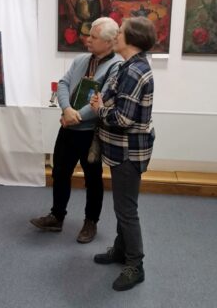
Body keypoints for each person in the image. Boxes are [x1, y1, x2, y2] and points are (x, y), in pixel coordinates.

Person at [30, 17, 122, 243]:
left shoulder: (117, 67)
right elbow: (63, 83)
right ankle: (57, 216)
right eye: (89, 35)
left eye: (94, 37)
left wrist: (75, 116)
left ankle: (91, 222)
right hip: (68, 128)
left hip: (92, 133)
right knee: (60, 173)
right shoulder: (80, 60)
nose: (87, 39)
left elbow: (104, 99)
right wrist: (67, 109)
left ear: (109, 42)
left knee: (93, 179)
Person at [89, 17, 156, 291]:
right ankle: (121, 250)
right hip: (124, 150)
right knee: (122, 205)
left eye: (120, 32)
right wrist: (103, 102)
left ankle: (135, 265)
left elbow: (123, 119)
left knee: (126, 210)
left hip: (128, 152)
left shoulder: (133, 71)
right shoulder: (128, 66)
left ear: (132, 39)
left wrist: (99, 109)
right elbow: (114, 99)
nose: (115, 35)